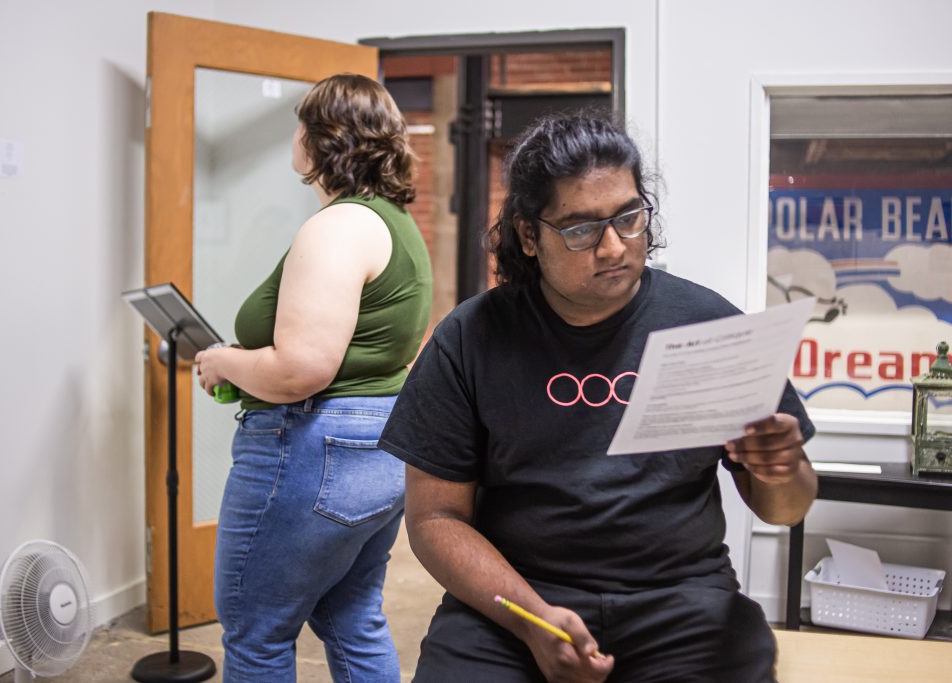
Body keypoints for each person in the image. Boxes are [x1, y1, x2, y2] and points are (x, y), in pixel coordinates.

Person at [377, 111, 818, 683]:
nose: (613, 247)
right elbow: (435, 518)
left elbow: (784, 509)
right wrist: (533, 620)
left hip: (681, 601)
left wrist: (782, 469)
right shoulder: (471, 338)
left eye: (629, 217)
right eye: (581, 228)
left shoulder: (705, 325)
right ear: (529, 236)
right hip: (515, 600)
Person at [194, 73, 433, 682]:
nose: (293, 136)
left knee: (257, 634)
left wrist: (224, 362)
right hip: (377, 446)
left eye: (300, 123)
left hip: (312, 449)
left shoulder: (337, 228)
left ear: (322, 139)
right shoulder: (394, 223)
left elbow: (302, 368)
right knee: (353, 616)